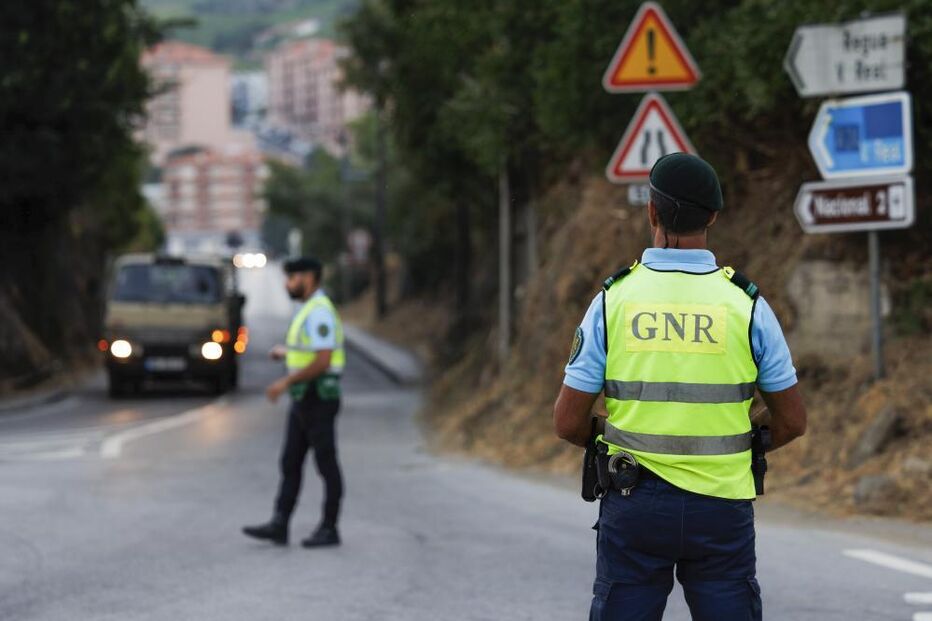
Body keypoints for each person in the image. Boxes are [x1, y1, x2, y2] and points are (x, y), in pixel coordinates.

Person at [553, 153, 807, 620]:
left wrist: (616, 443)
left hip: (634, 502)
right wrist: (742, 445)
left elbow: (567, 422)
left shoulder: (614, 300)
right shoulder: (746, 305)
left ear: (651, 211)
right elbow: (793, 420)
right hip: (722, 509)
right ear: (712, 216)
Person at [243, 257, 346, 548]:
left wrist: (284, 382)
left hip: (318, 396)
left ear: (309, 278)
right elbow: (309, 351)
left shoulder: (320, 313)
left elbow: (323, 361)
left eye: (292, 278)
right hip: (304, 397)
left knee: (326, 464)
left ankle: (329, 527)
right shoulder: (309, 309)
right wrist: (286, 352)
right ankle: (280, 523)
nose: (288, 284)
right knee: (290, 461)